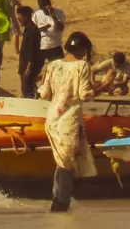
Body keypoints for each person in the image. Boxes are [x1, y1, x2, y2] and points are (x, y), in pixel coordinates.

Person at [39, 31, 96, 212]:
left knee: (62, 160)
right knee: (66, 164)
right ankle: (61, 205)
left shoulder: (53, 65)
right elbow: (85, 94)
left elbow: (44, 93)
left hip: (52, 120)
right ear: (84, 49)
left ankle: (58, 203)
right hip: (68, 120)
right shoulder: (82, 66)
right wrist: (105, 85)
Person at [32, 0, 65, 74]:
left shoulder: (59, 13)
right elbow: (32, 31)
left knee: (60, 71)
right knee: (34, 71)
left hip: (55, 46)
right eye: (43, 9)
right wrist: (43, 28)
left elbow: (60, 28)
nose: (45, 11)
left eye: (46, 8)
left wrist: (53, 16)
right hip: (41, 47)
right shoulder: (37, 14)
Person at [16, 5, 43, 98]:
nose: (19, 19)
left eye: (20, 17)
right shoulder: (28, 29)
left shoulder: (32, 30)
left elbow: (32, 51)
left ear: (27, 16)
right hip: (25, 65)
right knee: (27, 90)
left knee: (27, 92)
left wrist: (28, 68)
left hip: (28, 67)